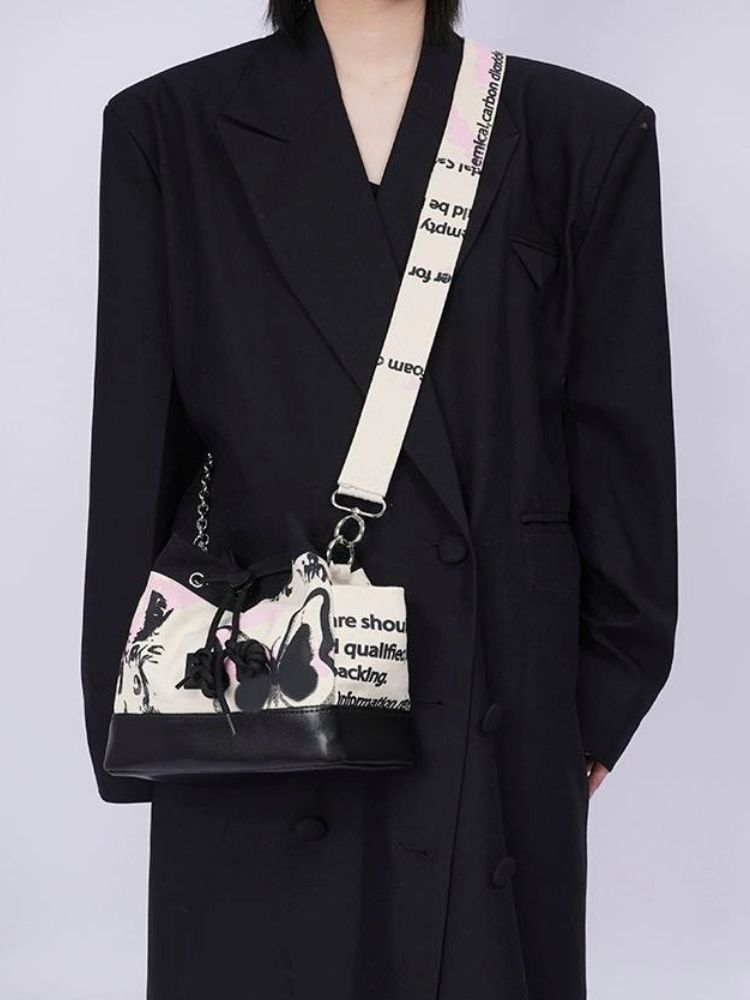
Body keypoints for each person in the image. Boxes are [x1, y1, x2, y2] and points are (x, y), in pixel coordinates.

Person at [79, 1, 678, 998]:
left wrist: (598, 702)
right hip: (255, 698)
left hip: (491, 700)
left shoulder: (583, 133)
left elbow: (625, 448)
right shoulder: (169, 128)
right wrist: (133, 708)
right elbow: (137, 447)